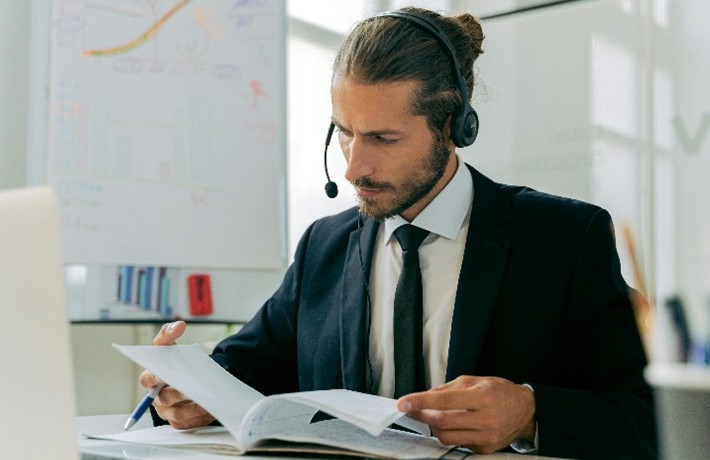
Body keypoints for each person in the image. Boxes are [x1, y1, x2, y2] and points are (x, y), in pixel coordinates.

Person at [140, 6, 656, 459]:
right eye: (344, 133)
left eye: (384, 138)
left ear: (454, 129)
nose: (353, 168)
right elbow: (243, 372)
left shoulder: (565, 237)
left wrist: (530, 413)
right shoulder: (324, 245)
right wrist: (186, 391)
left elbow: (653, 416)